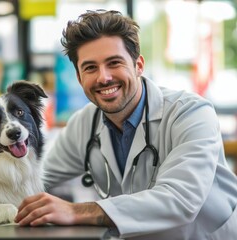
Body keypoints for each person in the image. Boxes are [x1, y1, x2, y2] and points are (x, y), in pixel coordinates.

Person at [14, 9, 237, 240]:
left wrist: (76, 211)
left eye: (114, 63)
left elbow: (180, 199)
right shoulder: (84, 123)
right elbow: (34, 180)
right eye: (90, 68)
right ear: (80, 78)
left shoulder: (192, 113)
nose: (103, 77)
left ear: (138, 65)